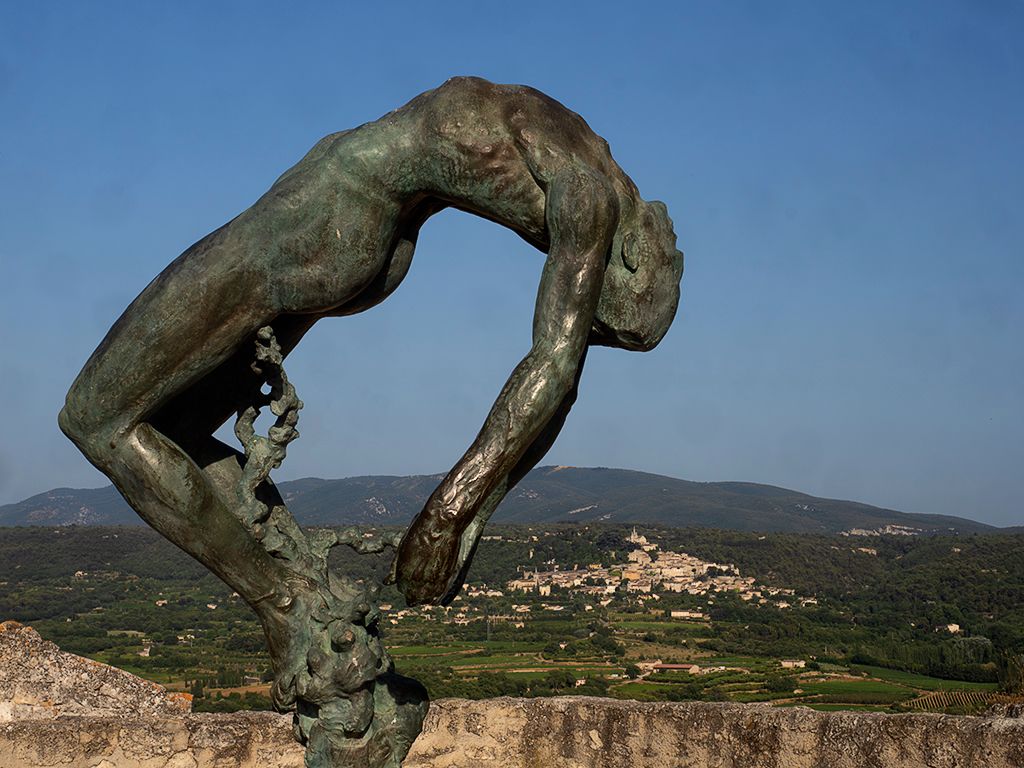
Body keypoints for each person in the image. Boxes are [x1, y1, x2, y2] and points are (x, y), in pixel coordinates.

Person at [59, 76, 683, 614]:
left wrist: (452, 516)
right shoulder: (588, 183)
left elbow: (557, 372)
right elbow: (561, 372)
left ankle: (288, 615)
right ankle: (307, 600)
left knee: (96, 418)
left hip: (332, 223)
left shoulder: (586, 166)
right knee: (180, 428)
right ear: (632, 254)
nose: (583, 296)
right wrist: (459, 515)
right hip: (346, 228)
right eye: (599, 313)